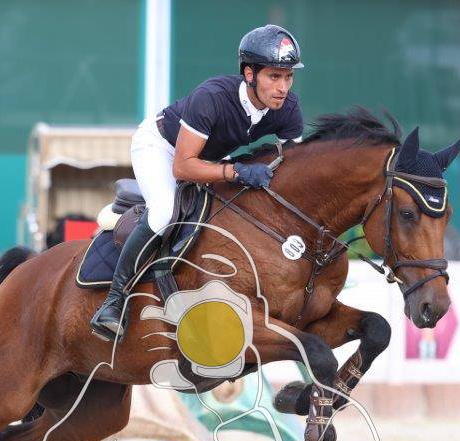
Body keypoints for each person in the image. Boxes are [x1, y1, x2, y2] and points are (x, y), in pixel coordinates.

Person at [90, 24, 306, 342]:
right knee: (164, 212)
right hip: (163, 148)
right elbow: (183, 167)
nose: (282, 87)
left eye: (288, 77)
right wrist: (236, 172)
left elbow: (294, 165)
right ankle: (113, 301)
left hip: (209, 157)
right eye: (274, 77)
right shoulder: (212, 97)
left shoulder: (288, 108)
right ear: (249, 74)